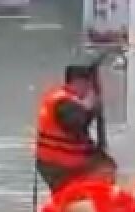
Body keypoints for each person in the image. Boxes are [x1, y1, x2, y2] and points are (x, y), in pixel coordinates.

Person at [34, 61, 108, 193]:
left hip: (62, 160)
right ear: (78, 82)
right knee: (101, 176)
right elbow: (75, 124)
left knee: (105, 168)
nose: (88, 90)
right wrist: (89, 107)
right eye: (87, 85)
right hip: (59, 163)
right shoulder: (64, 102)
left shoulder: (65, 98)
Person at [40, 153, 135, 212]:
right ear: (88, 174)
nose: (109, 179)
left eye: (111, 175)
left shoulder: (114, 193)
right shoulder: (78, 193)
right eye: (105, 175)